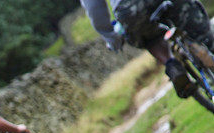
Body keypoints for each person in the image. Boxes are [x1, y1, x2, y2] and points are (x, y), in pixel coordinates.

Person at [79, 0, 214, 97]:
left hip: (130, 8)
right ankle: (203, 47)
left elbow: (94, 8)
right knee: (199, 28)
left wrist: (112, 38)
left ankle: (171, 64)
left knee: (149, 38)